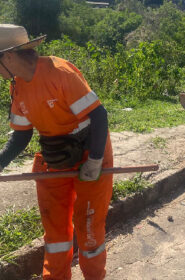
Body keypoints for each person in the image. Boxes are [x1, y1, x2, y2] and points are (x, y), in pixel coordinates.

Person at [0, 24, 113, 279]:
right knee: (56, 232)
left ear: (7, 57)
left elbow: (99, 115)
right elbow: (22, 134)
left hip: (90, 150)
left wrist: (95, 161)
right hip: (54, 156)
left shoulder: (60, 73)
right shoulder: (17, 86)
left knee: (89, 226)